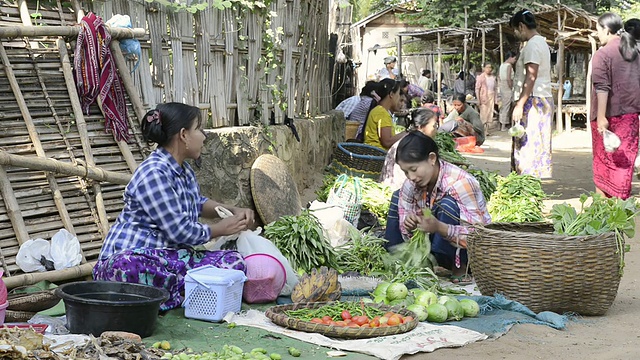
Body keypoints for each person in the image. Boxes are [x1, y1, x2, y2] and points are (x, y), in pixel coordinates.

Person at [93, 102, 255, 310]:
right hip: (133, 259)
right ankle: (182, 293)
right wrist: (220, 229)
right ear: (183, 135)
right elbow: (180, 231)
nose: (204, 136)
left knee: (233, 262)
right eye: (198, 128)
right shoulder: (154, 173)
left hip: (170, 260)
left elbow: (196, 203)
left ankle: (167, 295)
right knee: (128, 267)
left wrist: (232, 211)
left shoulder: (184, 170)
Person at [394, 132, 491, 283]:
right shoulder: (411, 184)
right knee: (396, 197)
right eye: (406, 172)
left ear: (432, 159)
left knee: (446, 204)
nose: (411, 177)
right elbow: (405, 223)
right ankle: (416, 263)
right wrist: (410, 224)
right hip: (432, 248)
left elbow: (478, 236)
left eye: (414, 169)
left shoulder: (460, 183)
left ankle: (460, 267)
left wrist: (439, 227)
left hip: (469, 253)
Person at [590, 13, 640, 199]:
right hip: (631, 119)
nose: (597, 34)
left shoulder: (602, 54)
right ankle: (620, 209)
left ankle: (603, 212)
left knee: (604, 164)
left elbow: (602, 88)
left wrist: (602, 117)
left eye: (598, 30)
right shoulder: (635, 53)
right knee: (623, 166)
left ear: (606, 29)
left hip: (608, 119)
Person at [510, 9, 553, 179]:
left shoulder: (533, 45)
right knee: (532, 144)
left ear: (521, 26)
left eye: (515, 29)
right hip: (539, 97)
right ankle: (529, 182)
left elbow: (531, 76)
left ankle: (527, 183)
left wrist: (520, 104)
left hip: (534, 100)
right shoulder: (540, 42)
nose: (515, 33)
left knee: (528, 145)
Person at [380, 108, 440, 192]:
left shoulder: (413, 140)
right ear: (421, 127)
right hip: (397, 189)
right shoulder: (412, 146)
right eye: (434, 126)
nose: (436, 130)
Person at [364, 78, 407, 150]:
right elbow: (387, 142)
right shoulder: (382, 113)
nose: (399, 97)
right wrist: (407, 133)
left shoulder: (379, 110)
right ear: (391, 94)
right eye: (398, 94)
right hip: (377, 156)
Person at [475, 62, 497, 135]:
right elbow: (477, 89)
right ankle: (482, 130)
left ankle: (487, 130)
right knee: (483, 114)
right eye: (487, 67)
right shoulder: (481, 77)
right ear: (484, 68)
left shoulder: (493, 77)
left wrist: (496, 99)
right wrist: (478, 99)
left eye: (490, 67)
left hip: (491, 96)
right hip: (484, 97)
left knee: (490, 113)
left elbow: (495, 89)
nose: (489, 69)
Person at [498, 51, 517, 131]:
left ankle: (501, 123)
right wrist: (511, 87)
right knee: (507, 106)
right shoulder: (509, 66)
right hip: (507, 86)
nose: (515, 60)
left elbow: (498, 76)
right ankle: (503, 126)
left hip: (502, 85)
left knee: (503, 106)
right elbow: (509, 78)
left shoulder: (502, 65)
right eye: (514, 58)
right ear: (510, 57)